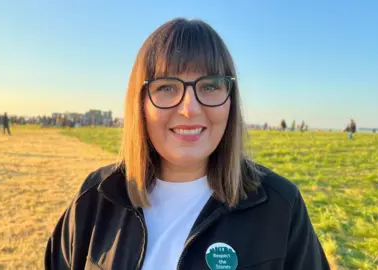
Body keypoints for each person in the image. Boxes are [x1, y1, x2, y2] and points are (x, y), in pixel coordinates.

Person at [44, 18, 330, 270]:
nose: (190, 108)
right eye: (167, 87)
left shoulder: (281, 206)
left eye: (210, 86)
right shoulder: (96, 196)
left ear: (230, 99)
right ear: (140, 102)